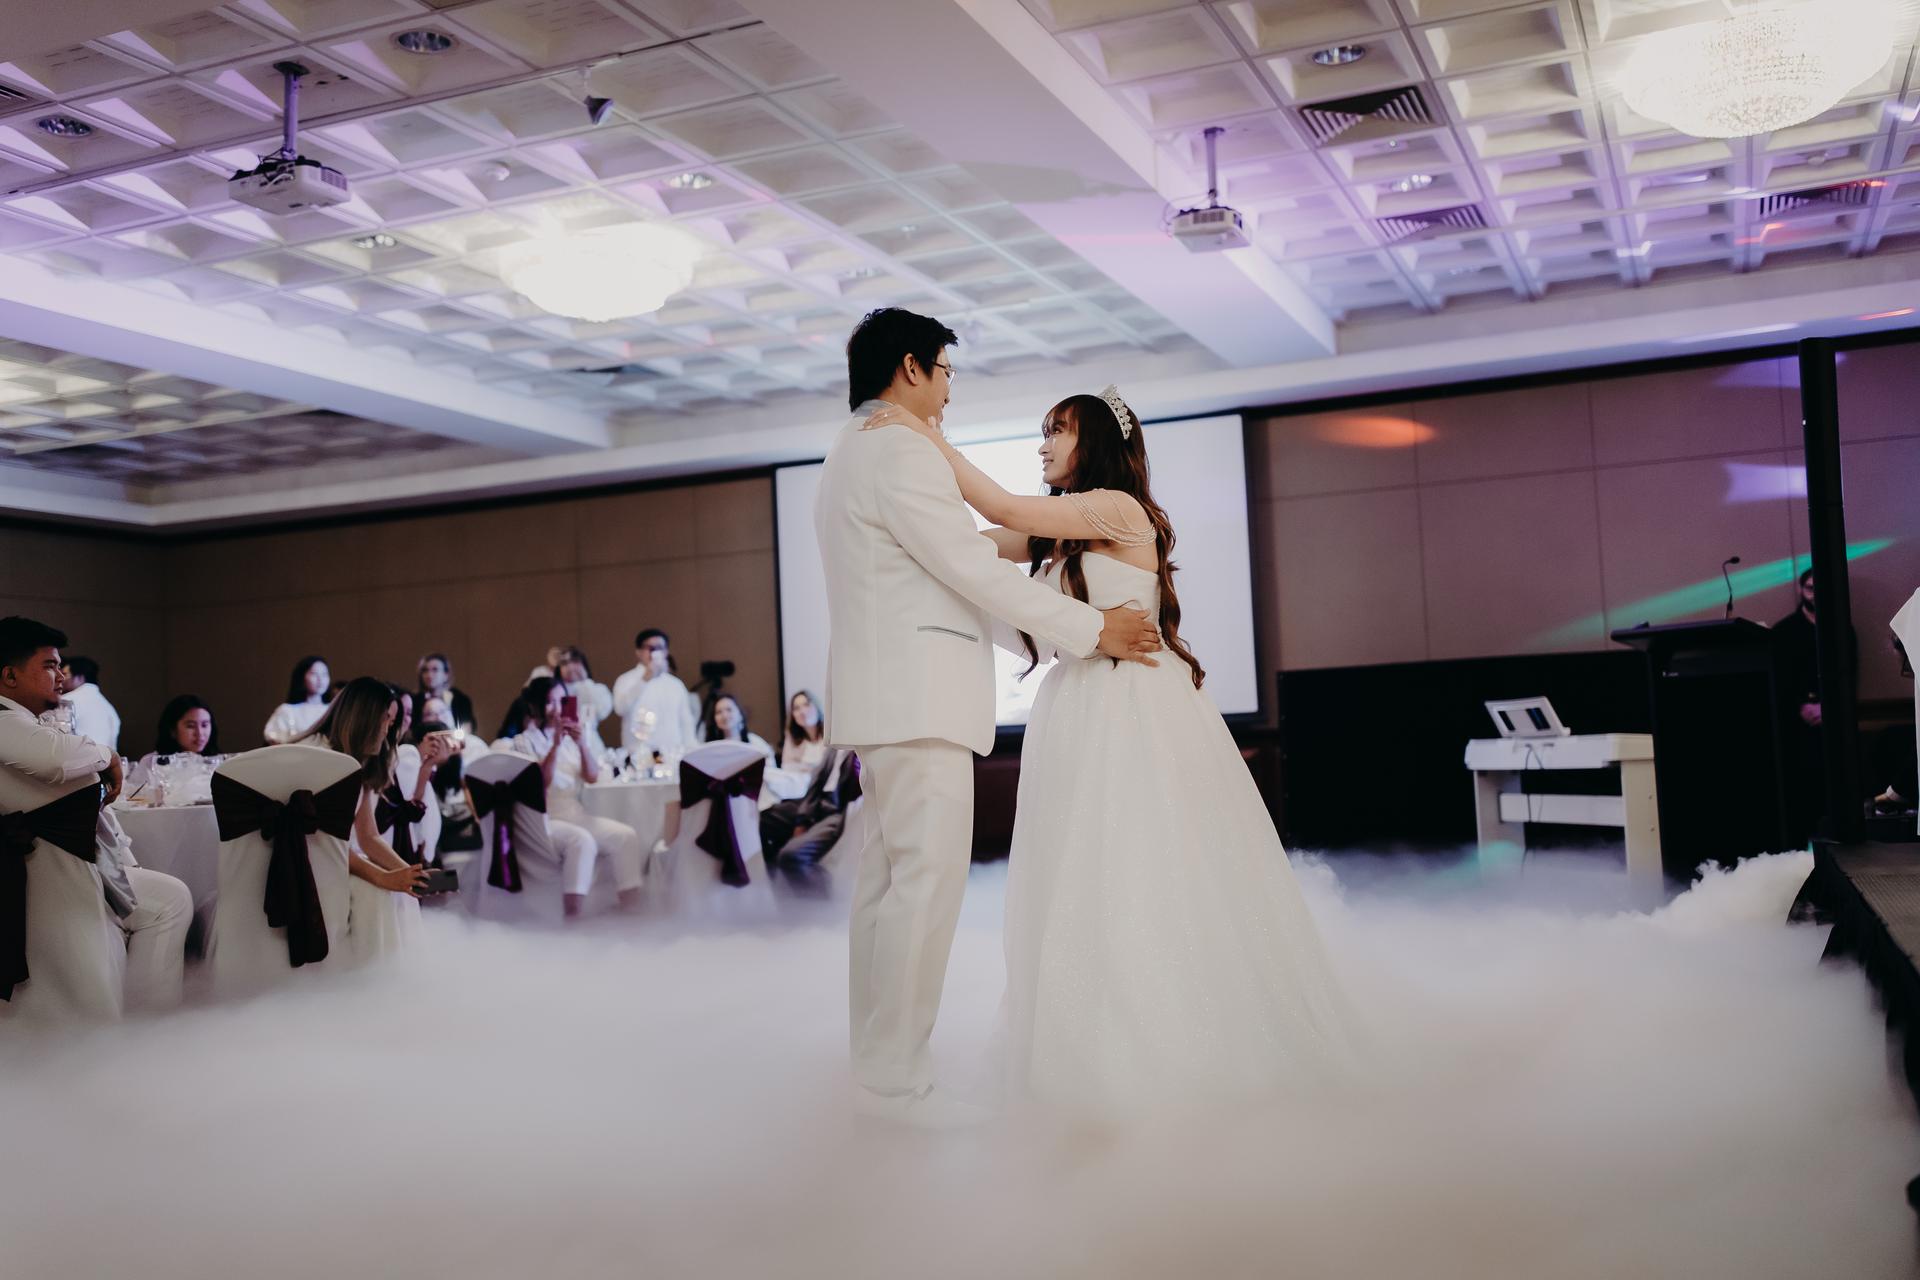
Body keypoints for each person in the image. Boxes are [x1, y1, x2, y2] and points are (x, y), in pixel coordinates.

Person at [863, 385, 1350, 1115]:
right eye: (1042, 431)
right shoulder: (1056, 533)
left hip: (1136, 708)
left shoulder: (1121, 512)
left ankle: (1172, 1046)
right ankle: (1090, 1045)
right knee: (1078, 877)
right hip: (1077, 708)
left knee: (1144, 868)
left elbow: (1001, 511)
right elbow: (968, 549)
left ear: (1095, 441)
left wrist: (924, 436)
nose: (1042, 446)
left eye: (1056, 431)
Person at [816, 307, 1161, 1126]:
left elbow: (979, 548)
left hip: (891, 695)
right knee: (922, 888)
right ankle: (895, 1075)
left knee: (891, 885)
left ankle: (877, 1061)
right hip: (918, 696)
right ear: (911, 368)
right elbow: (968, 563)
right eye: (945, 371)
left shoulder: (852, 447)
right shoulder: (897, 448)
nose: (949, 388)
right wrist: (1085, 630)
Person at [0, 617, 190, 1017]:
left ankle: (146, 1019)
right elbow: (55, 759)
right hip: (50, 874)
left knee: (171, 898)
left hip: (69, 865)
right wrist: (110, 755)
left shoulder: (24, 722)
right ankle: (145, 1023)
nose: (61, 675)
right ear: (9, 675)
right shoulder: (3, 720)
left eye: (61, 666)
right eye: (50, 665)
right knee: (168, 902)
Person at [303, 678, 432, 958]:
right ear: (363, 716)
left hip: (340, 856)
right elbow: (326, 843)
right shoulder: (319, 757)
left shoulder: (359, 760)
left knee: (403, 889)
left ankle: (406, 976)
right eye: (385, 719)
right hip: (308, 862)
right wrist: (383, 878)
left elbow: (369, 836)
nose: (388, 730)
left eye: (392, 721)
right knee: (377, 892)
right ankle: (372, 986)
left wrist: (409, 873)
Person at [494, 677, 643, 916]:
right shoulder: (523, 741)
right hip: (544, 818)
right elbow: (540, 784)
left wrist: (582, 744)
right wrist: (554, 746)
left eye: (560, 701)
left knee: (626, 836)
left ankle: (633, 911)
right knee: (581, 841)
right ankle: (573, 917)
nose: (556, 709)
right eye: (549, 702)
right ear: (535, 705)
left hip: (575, 813)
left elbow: (593, 777)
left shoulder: (572, 741)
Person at [1772, 568, 1859, 841]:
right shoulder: (1783, 631)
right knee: (1800, 795)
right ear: (1801, 590)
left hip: (1834, 725)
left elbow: (1850, 675)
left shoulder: (1841, 628)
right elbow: (1778, 680)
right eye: (1810, 588)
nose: (1814, 594)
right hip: (1795, 729)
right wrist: (1800, 706)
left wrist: (1829, 708)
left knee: (1836, 791)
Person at [760, 746, 860, 866]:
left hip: (836, 812)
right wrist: (802, 819)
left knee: (789, 855)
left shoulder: (859, 752)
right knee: (765, 818)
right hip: (816, 803)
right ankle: (774, 868)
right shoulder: (833, 748)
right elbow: (815, 782)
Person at [612, 629, 699, 760]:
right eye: (651, 648)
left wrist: (691, 751)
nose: (656, 653)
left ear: (666, 652)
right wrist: (645, 678)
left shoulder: (675, 684)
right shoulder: (626, 680)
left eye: (660, 648)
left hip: (671, 755)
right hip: (637, 754)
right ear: (639, 652)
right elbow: (620, 708)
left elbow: (686, 722)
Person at [264, 655, 332, 745]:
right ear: (302, 677)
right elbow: (274, 739)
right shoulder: (287, 710)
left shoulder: (333, 709)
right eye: (314, 673)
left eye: (324, 674)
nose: (320, 679)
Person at [58, 656, 120, 753]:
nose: (60, 679)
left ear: (79, 678)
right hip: (107, 764)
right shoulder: (110, 708)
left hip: (75, 763)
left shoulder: (65, 702)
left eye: (65, 674)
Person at [554, 646, 614, 743]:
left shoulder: (598, 688)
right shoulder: (555, 691)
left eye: (574, 661)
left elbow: (601, 712)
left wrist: (584, 680)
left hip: (590, 740)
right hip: (562, 741)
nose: (570, 667)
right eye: (565, 663)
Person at [415, 653, 476, 734]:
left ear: (446, 674)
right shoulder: (415, 701)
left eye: (435, 670)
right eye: (425, 670)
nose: (429, 675)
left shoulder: (460, 699)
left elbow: (467, 725)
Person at [150, 695, 218, 758]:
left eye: (204, 725)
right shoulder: (153, 763)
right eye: (191, 726)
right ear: (172, 730)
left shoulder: (221, 763)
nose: (199, 733)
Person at [782, 690, 829, 773]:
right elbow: (786, 766)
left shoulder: (830, 734)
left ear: (817, 707)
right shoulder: (792, 736)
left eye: (806, 705)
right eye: (796, 708)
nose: (802, 712)